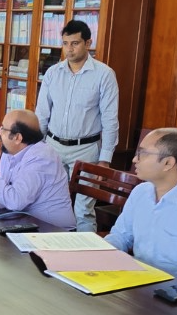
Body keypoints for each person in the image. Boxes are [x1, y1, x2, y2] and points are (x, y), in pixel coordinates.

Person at [104, 128, 177, 291]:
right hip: (136, 285)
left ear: (168, 163)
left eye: (143, 153)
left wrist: (162, 293)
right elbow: (121, 236)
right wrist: (100, 255)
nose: (134, 159)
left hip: (173, 298)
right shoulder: (141, 192)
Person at [35, 19, 119, 231]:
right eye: (65, 43)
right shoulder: (53, 73)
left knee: (83, 210)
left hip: (86, 149)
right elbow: (42, 114)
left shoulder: (104, 74)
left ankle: (86, 261)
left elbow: (110, 119)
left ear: (88, 43)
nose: (69, 49)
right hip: (53, 146)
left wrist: (105, 160)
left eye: (75, 43)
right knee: (49, 203)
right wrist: (36, 148)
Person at [0, 109, 75, 229]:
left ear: (18, 138)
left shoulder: (41, 158)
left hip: (53, 231)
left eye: (3, 128)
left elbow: (16, 201)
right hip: (23, 222)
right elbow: (5, 200)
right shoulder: (9, 151)